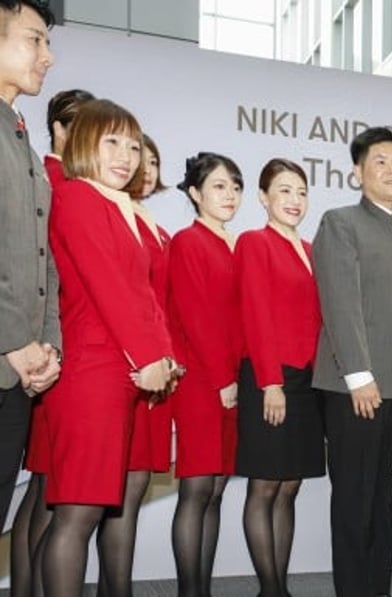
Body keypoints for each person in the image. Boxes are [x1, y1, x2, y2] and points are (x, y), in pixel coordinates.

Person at [41, 98, 178, 597]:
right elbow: (108, 286)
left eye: (135, 146)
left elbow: (144, 295)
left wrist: (160, 357)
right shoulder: (77, 196)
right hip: (89, 371)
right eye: (112, 142)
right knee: (76, 514)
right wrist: (148, 357)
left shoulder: (119, 205)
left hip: (120, 373)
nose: (126, 155)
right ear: (82, 144)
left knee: (92, 509)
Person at [312, 126, 392, 597]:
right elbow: (340, 303)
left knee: (384, 502)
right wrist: (359, 376)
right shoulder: (341, 222)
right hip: (355, 388)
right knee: (355, 504)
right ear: (357, 172)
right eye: (380, 161)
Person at [9, 86, 91, 597]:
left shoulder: (75, 183)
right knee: (43, 488)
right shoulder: (50, 178)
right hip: (50, 352)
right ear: (59, 129)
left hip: (61, 352)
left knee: (47, 490)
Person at [90, 133, 176, 597]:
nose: (143, 165)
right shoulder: (110, 212)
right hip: (122, 365)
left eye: (149, 158)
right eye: (133, 154)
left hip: (153, 370)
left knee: (134, 483)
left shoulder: (153, 224)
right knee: (103, 494)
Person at [236, 158, 324, 597]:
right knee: (266, 484)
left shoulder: (310, 251)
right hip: (271, 378)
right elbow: (256, 314)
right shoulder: (255, 242)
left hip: (307, 382)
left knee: (289, 486)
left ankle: (280, 586)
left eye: (301, 192)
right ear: (263, 197)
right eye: (285, 190)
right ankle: (270, 589)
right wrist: (270, 381)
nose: (294, 200)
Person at [167, 152, 245, 597]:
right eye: (218, 186)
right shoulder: (188, 242)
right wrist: (221, 381)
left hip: (233, 381)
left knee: (215, 490)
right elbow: (196, 318)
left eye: (234, 186)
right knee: (196, 490)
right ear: (195, 194)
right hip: (203, 382)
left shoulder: (237, 243)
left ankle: (202, 589)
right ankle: (187, 591)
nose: (229, 194)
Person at [0, 0, 60, 547]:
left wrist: (49, 346)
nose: (48, 56)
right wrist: (11, 342)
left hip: (18, 373)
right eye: (34, 40)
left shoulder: (21, 136)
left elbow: (44, 261)